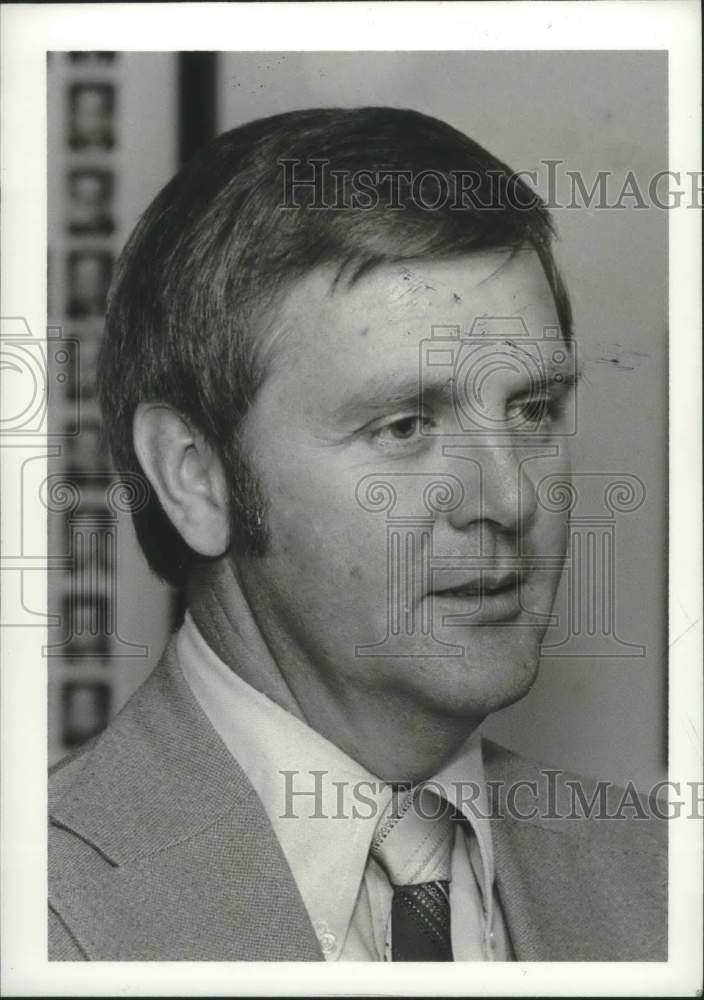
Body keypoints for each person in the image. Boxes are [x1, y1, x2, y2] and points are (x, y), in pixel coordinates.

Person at [48, 107, 666, 962]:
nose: (510, 497)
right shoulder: (40, 908)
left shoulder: (664, 881)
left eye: (532, 409)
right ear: (194, 474)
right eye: (407, 426)